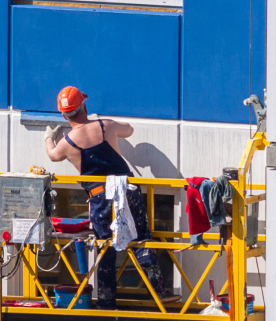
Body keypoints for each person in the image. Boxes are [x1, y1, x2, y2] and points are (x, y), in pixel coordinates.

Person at [44, 86, 178, 309]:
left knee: (105, 248)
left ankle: (107, 301)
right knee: (142, 240)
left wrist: (49, 137)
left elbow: (52, 155)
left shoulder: (67, 143)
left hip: (100, 199)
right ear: (84, 106)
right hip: (127, 193)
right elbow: (130, 130)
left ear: (63, 114)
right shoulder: (104, 125)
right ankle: (159, 292)